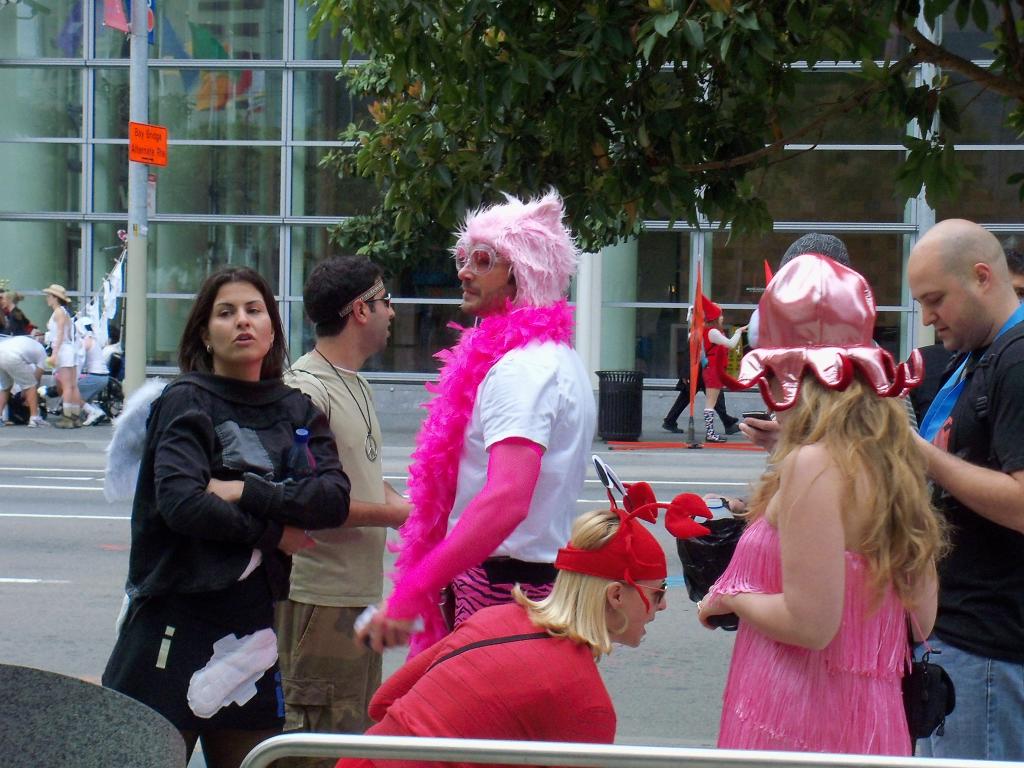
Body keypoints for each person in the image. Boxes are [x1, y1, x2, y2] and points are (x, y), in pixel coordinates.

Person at [102, 266, 352, 768]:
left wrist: (244, 490)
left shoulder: (297, 410)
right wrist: (275, 532)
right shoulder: (185, 400)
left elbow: (331, 499)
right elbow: (183, 504)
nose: (242, 321)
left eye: (254, 310)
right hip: (172, 622)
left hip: (252, 636)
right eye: (226, 312)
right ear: (204, 333)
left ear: (272, 329)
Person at [699, 254, 946, 755]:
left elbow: (810, 624)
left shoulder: (812, 463)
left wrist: (729, 599)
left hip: (797, 718)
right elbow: (923, 616)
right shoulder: (889, 461)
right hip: (869, 719)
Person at [360, 191, 596, 656]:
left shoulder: (523, 369)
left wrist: (414, 589)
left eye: (483, 260)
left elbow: (506, 500)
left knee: (472, 705)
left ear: (523, 271)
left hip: (501, 589)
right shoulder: (553, 359)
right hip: (524, 582)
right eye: (463, 257)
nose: (464, 272)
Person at [337, 504, 669, 768]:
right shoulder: (589, 705)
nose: (664, 605)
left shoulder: (495, 617)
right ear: (615, 595)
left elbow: (383, 702)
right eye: (658, 593)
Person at [275, 256, 411, 760]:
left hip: (356, 597)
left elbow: (361, 478)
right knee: (318, 747)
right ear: (360, 310)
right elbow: (308, 499)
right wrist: (396, 515)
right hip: (319, 600)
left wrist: (414, 507)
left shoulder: (355, 381)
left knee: (351, 739)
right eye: (385, 301)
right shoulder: (306, 389)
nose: (392, 312)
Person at [907, 219, 1024, 761]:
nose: (927, 318)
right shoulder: (982, 354)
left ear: (982, 277)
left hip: (988, 643)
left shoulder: (1015, 359)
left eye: (935, 300)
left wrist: (922, 453)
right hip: (964, 637)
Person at [698, 296, 746, 443]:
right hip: (714, 368)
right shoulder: (713, 332)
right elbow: (731, 344)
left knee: (711, 402)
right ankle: (710, 433)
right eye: (720, 315)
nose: (722, 317)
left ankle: (710, 433)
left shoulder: (706, 330)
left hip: (711, 367)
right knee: (711, 402)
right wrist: (738, 332)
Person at [41, 284, 84, 428]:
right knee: (72, 385)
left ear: (55, 298)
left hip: (63, 350)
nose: (47, 299)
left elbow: (59, 334)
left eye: (49, 296)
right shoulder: (64, 312)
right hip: (70, 349)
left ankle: (67, 417)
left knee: (66, 386)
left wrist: (54, 353)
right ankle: (75, 416)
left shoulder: (58, 312)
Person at [0, 331, 48, 428]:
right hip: (12, 356)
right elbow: (37, 376)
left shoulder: (27, 342)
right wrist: (26, 392)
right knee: (31, 385)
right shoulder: (43, 353)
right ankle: (34, 418)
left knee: (5, 387)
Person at [76, 320, 111, 426]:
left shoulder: (86, 341)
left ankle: (94, 412)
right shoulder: (94, 340)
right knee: (86, 398)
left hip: (96, 375)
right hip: (103, 376)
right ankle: (98, 412)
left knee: (71, 392)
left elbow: (80, 360)